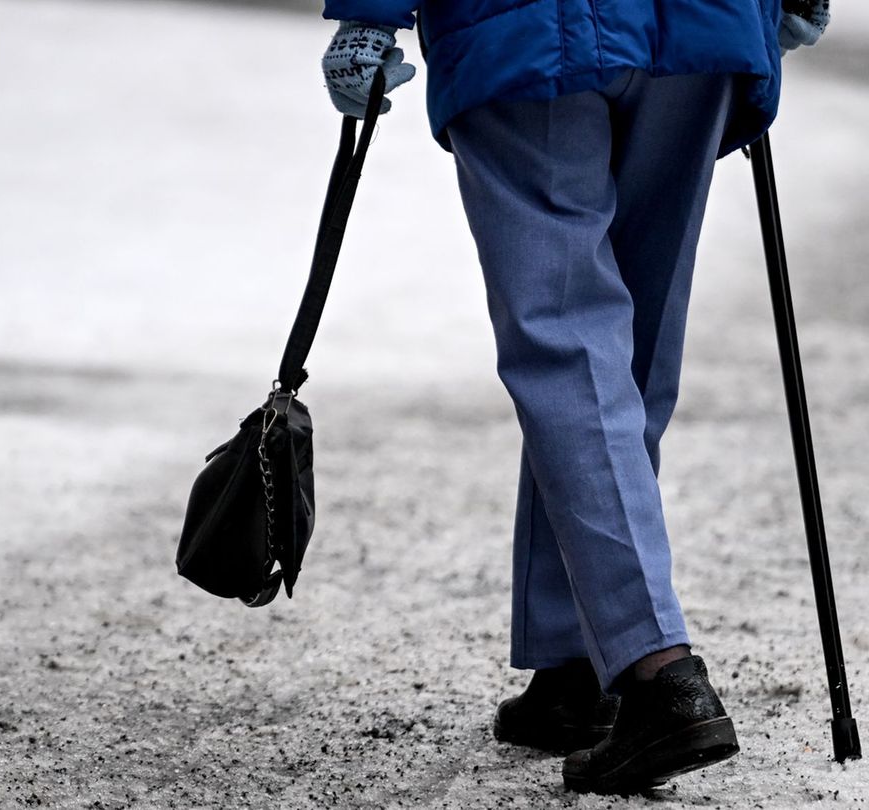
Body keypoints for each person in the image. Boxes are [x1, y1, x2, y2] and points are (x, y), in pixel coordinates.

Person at [319, 0, 829, 795]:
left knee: (570, 341)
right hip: (705, 26)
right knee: (632, 345)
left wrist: (367, 14)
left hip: (525, 25)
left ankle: (656, 670)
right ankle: (578, 660)